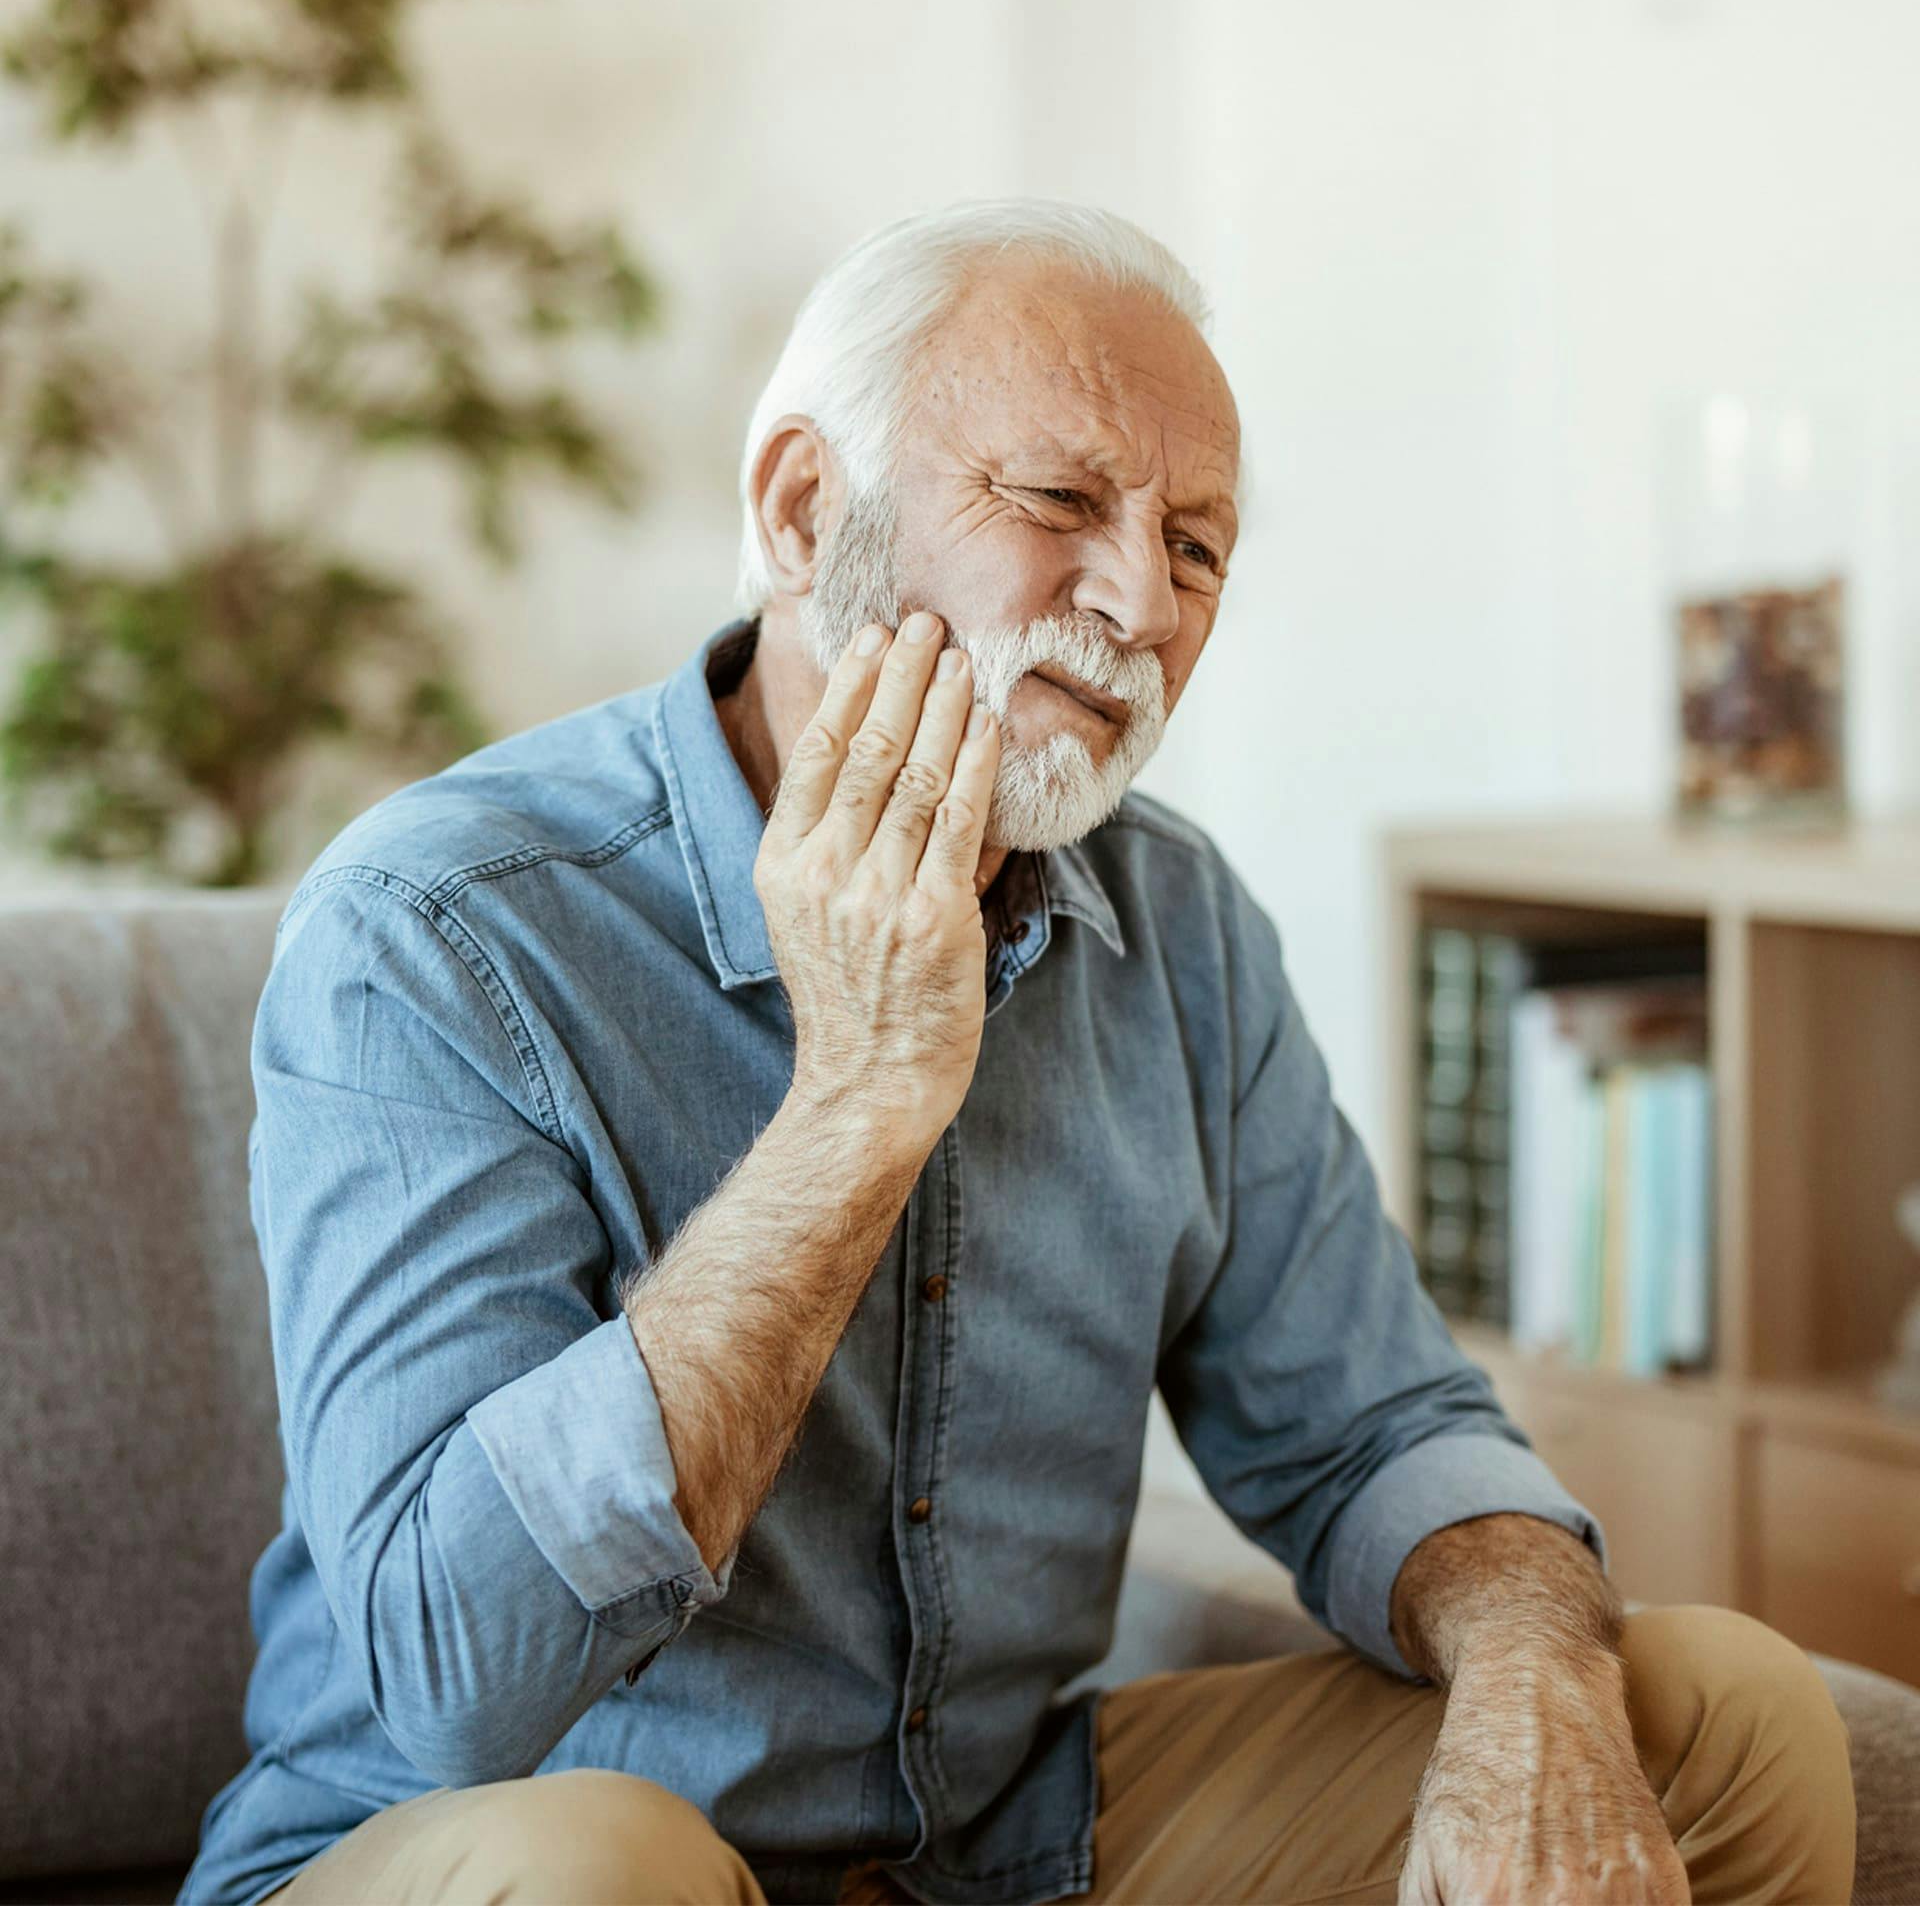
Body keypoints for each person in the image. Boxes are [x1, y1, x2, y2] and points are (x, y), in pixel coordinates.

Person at [183, 201, 1854, 1906]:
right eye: (1059, 502)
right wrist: (855, 1109)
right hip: (485, 1844)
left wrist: (1535, 1681)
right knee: (602, 1868)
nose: (1137, 600)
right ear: (801, 507)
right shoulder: (441, 928)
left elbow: (1372, 1433)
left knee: (1716, 1714)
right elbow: (454, 1675)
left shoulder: (1182, 930)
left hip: (994, 1858)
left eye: (1197, 548)